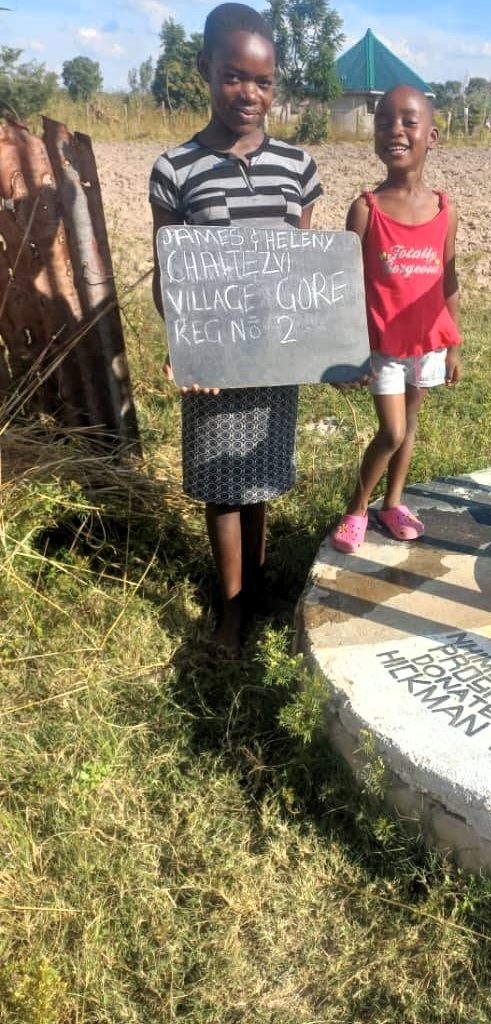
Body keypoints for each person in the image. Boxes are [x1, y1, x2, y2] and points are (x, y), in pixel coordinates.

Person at [149, 2, 322, 655]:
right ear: (205, 70)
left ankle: (256, 589)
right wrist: (186, 346)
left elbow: (304, 269)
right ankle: (231, 616)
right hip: (216, 357)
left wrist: (316, 341)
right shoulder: (176, 169)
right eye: (233, 76)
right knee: (221, 487)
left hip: (272, 353)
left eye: (263, 81)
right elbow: (171, 272)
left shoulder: (297, 168)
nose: (248, 93)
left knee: (262, 475)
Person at [330, 85, 462, 554]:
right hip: (382, 346)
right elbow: (345, 289)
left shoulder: (444, 211)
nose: (395, 131)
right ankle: (357, 508)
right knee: (392, 431)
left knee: (410, 424)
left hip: (426, 343)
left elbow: (448, 280)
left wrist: (453, 345)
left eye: (408, 121)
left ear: (433, 135)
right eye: (384, 122)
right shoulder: (366, 208)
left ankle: (394, 502)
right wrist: (347, 353)